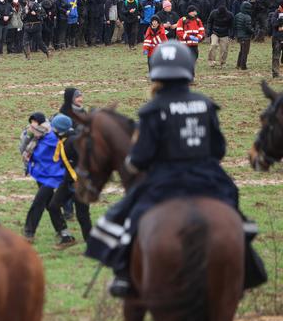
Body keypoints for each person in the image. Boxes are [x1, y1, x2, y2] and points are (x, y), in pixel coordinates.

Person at [85, 40, 267, 297]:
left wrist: (131, 162)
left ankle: (124, 275)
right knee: (233, 208)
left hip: (165, 180)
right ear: (188, 71)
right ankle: (248, 269)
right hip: (208, 177)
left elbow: (140, 158)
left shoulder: (151, 110)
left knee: (129, 215)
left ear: (155, 74)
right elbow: (219, 149)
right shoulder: (206, 104)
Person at [23, 114, 70, 245]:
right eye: (31, 122)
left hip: (54, 176)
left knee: (38, 202)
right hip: (41, 173)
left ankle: (29, 233)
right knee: (50, 205)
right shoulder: (36, 136)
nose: (32, 125)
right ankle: (64, 232)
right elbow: (27, 151)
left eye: (34, 122)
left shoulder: (55, 138)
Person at [58, 87, 92, 239]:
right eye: (77, 97)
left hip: (81, 153)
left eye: (81, 96)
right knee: (68, 180)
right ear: (70, 98)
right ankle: (68, 210)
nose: (80, 99)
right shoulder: (65, 113)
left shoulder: (82, 111)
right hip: (69, 152)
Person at [176, 6, 205, 71]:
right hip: (185, 45)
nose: (196, 13)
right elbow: (179, 31)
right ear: (190, 12)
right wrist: (188, 37)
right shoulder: (182, 20)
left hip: (194, 44)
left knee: (194, 58)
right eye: (194, 11)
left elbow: (202, 31)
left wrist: (198, 38)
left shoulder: (198, 20)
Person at [234, 2, 254, 71]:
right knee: (245, 52)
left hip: (239, 36)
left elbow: (234, 25)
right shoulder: (247, 17)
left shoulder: (237, 15)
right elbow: (248, 28)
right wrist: (253, 31)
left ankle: (238, 64)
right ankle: (243, 66)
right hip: (246, 37)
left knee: (241, 51)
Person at [268, 2, 283, 78]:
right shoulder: (275, 13)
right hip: (277, 38)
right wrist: (280, 20)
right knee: (276, 56)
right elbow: (273, 23)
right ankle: (275, 73)